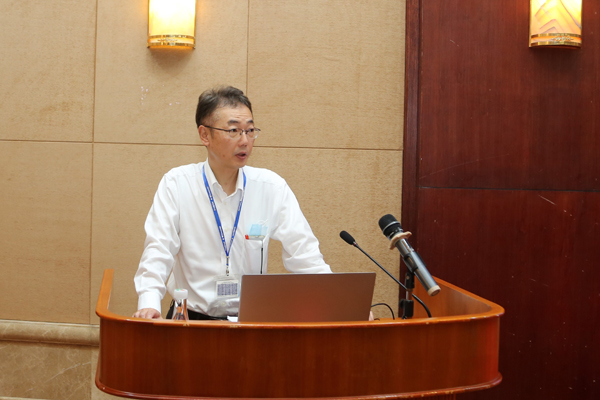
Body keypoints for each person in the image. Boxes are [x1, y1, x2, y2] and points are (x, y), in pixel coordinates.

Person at [133, 86, 331, 320]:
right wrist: (149, 304)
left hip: (249, 321)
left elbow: (305, 255)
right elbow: (158, 249)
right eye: (234, 130)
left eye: (250, 130)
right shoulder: (177, 184)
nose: (245, 141)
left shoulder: (271, 187)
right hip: (191, 320)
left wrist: (335, 301)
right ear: (205, 135)